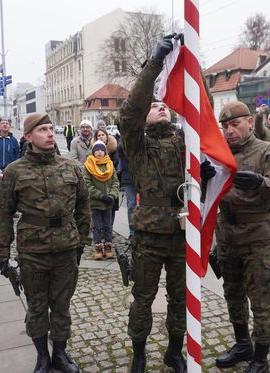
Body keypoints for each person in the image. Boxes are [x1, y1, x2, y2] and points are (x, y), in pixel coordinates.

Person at [0, 113, 91, 373]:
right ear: (28, 137)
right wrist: (2, 252)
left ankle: (59, 354)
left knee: (61, 305)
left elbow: (83, 206)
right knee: (37, 305)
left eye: (50, 129)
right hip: (33, 250)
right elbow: (2, 213)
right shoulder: (15, 171)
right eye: (42, 130)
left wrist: (81, 241)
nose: (49, 133)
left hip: (66, 248)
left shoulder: (70, 167)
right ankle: (42, 357)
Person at [206, 101, 270, 372]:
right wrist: (202, 176)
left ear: (248, 122)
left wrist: (261, 183)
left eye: (234, 124)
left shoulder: (267, 151)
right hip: (227, 236)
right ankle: (242, 344)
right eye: (225, 126)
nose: (229, 131)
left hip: (258, 238)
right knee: (232, 294)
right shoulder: (218, 155)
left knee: (262, 299)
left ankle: (261, 357)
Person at [119, 35, 187, 373]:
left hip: (182, 235)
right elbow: (131, 109)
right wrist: (154, 63)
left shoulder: (187, 143)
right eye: (154, 106)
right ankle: (139, 354)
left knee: (180, 299)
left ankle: (175, 350)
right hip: (148, 237)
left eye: (164, 105)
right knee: (143, 299)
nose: (160, 106)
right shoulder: (137, 144)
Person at [83, 140, 119, 260]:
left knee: (108, 226)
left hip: (108, 202)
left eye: (101, 150)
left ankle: (108, 247)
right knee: (97, 226)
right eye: (97, 150)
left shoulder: (110, 164)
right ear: (93, 152)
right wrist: (100, 196)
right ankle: (98, 248)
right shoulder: (88, 165)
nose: (99, 152)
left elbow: (115, 182)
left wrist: (112, 195)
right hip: (95, 203)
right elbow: (87, 185)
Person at [117, 141, 136, 239]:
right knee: (131, 205)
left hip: (143, 178)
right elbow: (119, 148)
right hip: (129, 178)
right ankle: (132, 233)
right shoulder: (124, 143)